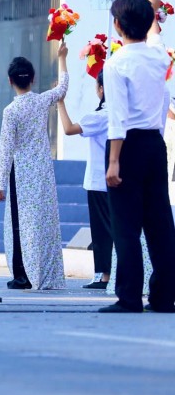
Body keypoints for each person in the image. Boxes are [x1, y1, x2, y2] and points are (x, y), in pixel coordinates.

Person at [101, 0, 175, 313]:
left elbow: (117, 116)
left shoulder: (116, 63)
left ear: (117, 25)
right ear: (149, 24)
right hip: (155, 147)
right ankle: (164, 296)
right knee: (160, 224)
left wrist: (114, 161)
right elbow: (156, 38)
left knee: (126, 226)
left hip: (127, 146)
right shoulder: (160, 58)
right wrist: (153, 9)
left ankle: (129, 297)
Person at [0, 48, 69, 291]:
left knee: (19, 223)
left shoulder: (11, 111)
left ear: (10, 80)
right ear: (33, 79)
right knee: (41, 222)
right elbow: (63, 87)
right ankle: (44, 271)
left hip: (21, 174)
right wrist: (62, 58)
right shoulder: (42, 100)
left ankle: (23, 275)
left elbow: (6, 149)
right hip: (43, 170)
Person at [57, 72, 111, 290]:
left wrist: (60, 103)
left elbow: (69, 129)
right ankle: (109, 273)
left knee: (102, 230)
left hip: (98, 181)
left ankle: (105, 275)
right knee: (112, 228)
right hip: (115, 180)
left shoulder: (99, 117)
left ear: (100, 89)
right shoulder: (122, 114)